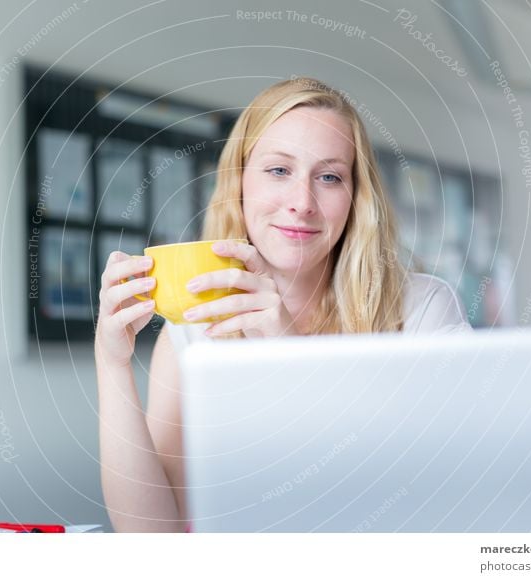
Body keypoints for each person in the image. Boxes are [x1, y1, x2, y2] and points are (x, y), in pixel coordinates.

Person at [94, 77, 470, 532]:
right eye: (278, 170)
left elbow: (438, 503)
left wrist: (287, 351)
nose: (302, 203)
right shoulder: (193, 333)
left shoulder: (422, 310)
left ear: (355, 197)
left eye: (329, 177)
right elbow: (153, 536)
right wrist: (111, 363)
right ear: (239, 182)